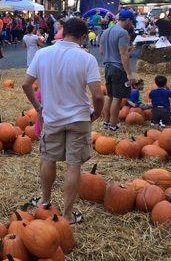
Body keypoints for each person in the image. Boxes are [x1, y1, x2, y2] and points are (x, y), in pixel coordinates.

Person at [21, 17, 104, 224]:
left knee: (48, 158)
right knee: (73, 165)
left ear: (62, 31)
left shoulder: (42, 54)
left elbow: (25, 84)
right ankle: (67, 215)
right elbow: (98, 95)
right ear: (83, 37)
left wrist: (38, 107)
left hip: (52, 117)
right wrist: (97, 113)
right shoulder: (87, 59)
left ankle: (45, 200)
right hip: (79, 118)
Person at [99, 10, 136, 131]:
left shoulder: (105, 32)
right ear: (128, 20)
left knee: (109, 96)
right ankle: (113, 126)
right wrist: (129, 73)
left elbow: (101, 51)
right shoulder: (123, 33)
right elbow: (123, 54)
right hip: (118, 69)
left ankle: (105, 123)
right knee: (117, 97)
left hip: (107, 67)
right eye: (131, 22)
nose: (132, 25)